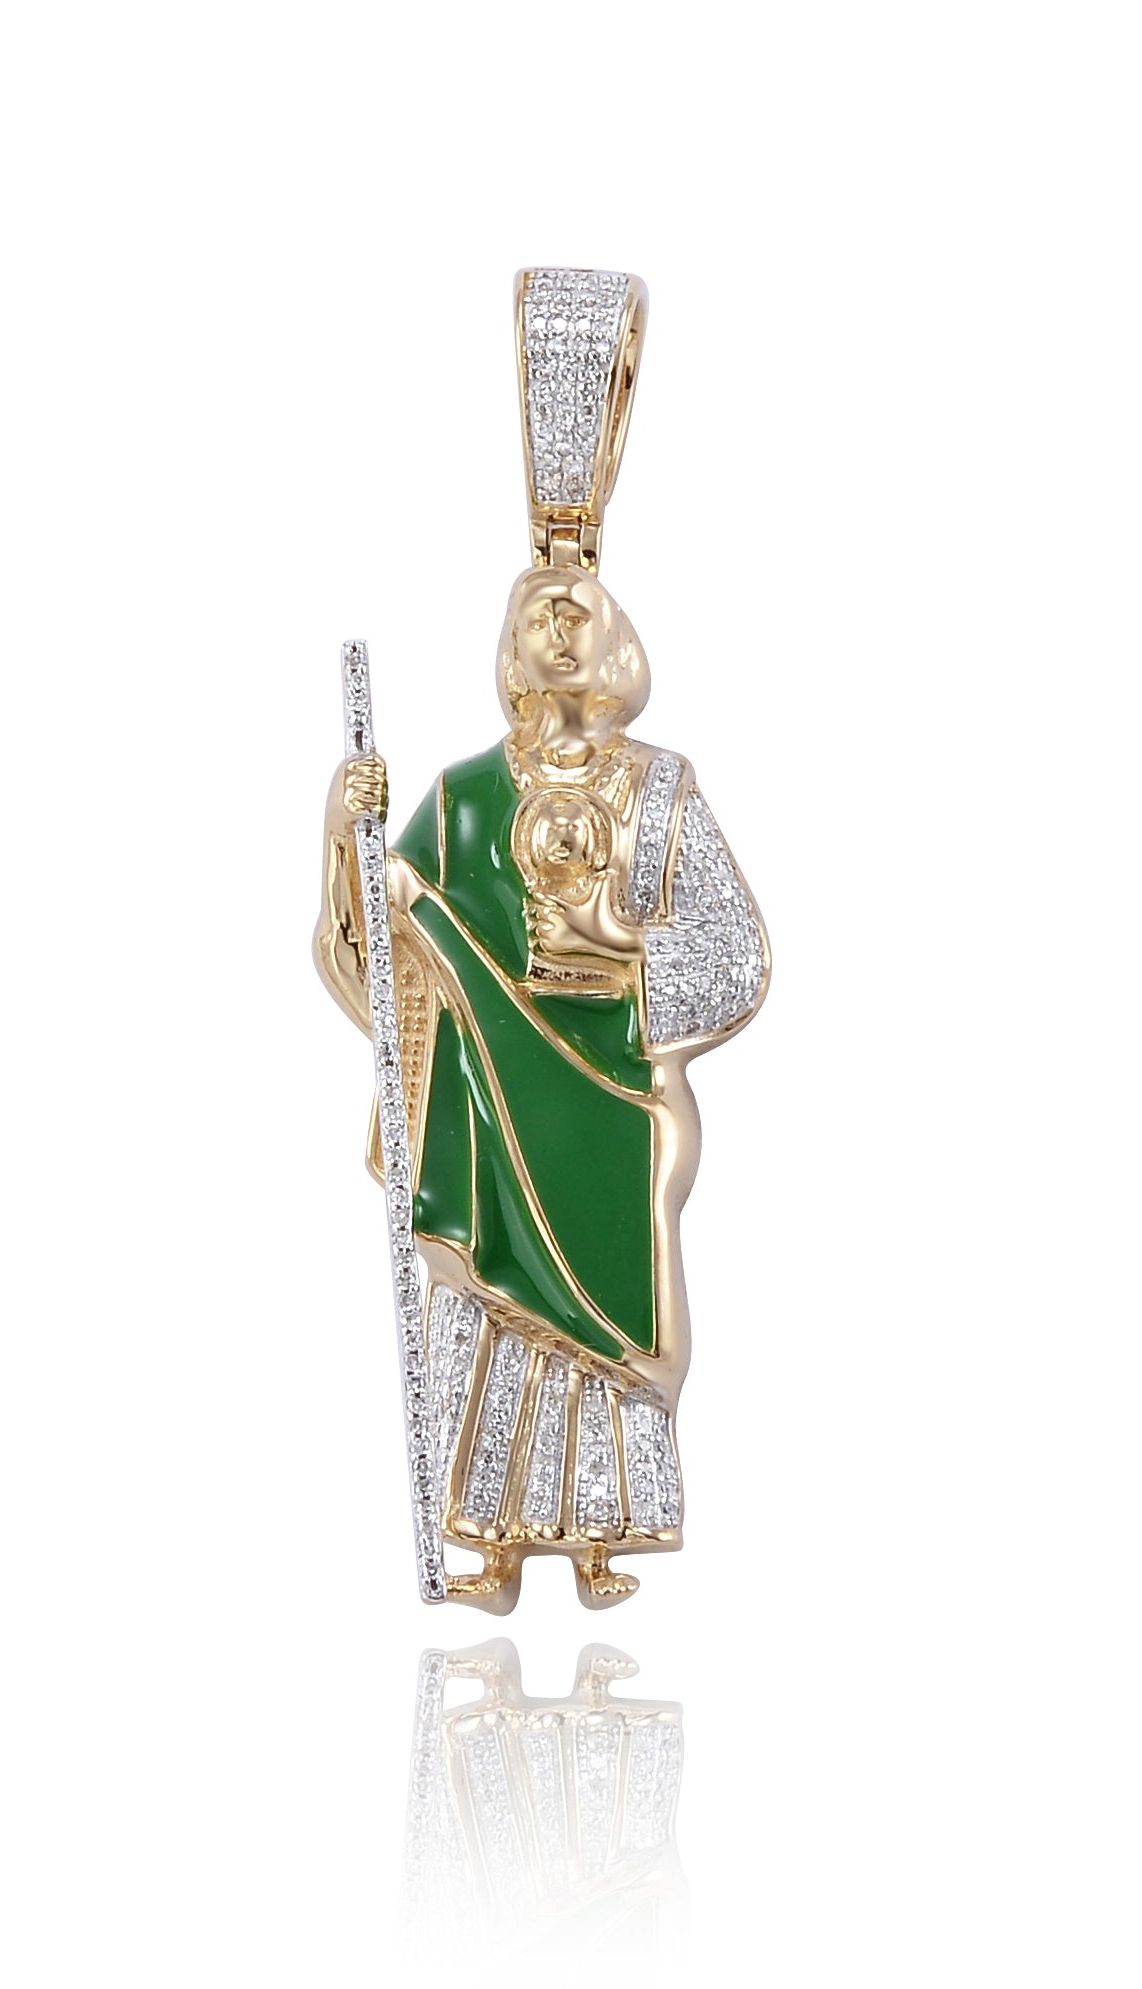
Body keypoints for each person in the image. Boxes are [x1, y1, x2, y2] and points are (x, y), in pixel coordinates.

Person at [317, 564, 768, 1608]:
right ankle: (494, 1544)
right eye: (535, 614)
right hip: (485, 1108)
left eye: (577, 612)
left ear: (617, 643)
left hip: (616, 1109)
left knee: (612, 1308)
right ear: (509, 652)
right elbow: (382, 959)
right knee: (493, 1302)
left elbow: (739, 953)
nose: (557, 627)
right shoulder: (463, 801)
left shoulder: (660, 793)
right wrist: (345, 838)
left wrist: (618, 953)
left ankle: (607, 1537)